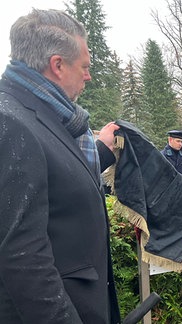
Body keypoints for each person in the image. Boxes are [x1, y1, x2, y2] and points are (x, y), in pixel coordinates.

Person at [0, 9, 121, 323]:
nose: (88, 76)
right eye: (84, 67)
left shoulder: (44, 118)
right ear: (57, 65)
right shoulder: (11, 122)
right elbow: (23, 257)